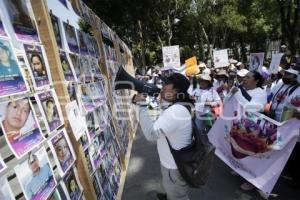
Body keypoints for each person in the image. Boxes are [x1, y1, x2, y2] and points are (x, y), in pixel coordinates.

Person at [133, 73, 193, 200]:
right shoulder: (178, 106)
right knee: (172, 191)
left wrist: (142, 105)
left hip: (174, 168)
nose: (162, 86)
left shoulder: (176, 111)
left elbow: (151, 134)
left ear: (176, 90)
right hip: (172, 163)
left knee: (178, 196)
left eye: (166, 84)